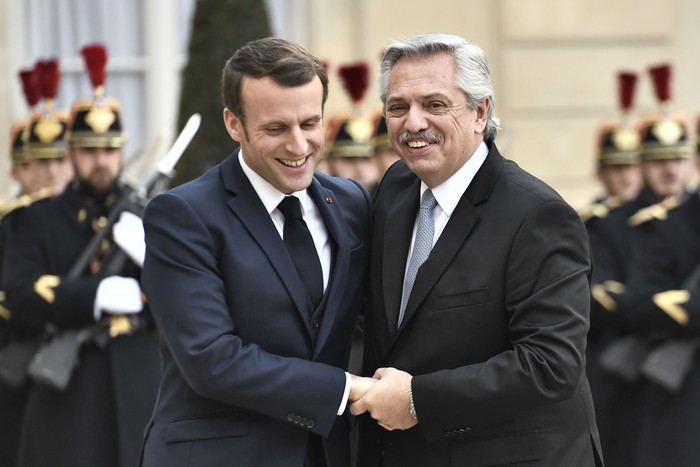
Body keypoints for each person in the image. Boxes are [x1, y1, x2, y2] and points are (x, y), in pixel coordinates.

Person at [350, 33, 604, 467]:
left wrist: (417, 399)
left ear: (479, 112)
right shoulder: (394, 188)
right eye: (398, 107)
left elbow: (550, 365)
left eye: (434, 105)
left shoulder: (538, 216)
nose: (412, 123)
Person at [139, 37, 374, 467]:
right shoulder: (182, 216)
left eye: (310, 123)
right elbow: (211, 359)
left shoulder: (353, 203)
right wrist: (348, 389)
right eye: (276, 129)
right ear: (234, 124)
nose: (300, 146)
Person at [2, 44, 160, 467]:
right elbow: (19, 297)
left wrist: (155, 266)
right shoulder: (36, 220)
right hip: (70, 391)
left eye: (109, 150)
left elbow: (194, 302)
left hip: (143, 382)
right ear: (71, 152)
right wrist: (95, 295)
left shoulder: (152, 216)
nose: (101, 161)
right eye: (90, 150)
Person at [0, 66, 73, 467]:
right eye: (38, 162)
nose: (51, 173)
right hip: (18, 364)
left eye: (60, 160)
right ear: (17, 170)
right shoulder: (12, 222)